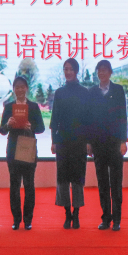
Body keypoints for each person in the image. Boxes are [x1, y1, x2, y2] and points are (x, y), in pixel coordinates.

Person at [0, 76, 45, 230]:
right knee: (14, 185)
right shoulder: (9, 107)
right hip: (13, 149)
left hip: (28, 148)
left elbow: (41, 128)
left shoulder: (33, 106)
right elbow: (2, 131)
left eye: (22, 87)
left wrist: (31, 127)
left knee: (29, 184)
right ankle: (16, 219)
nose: (19, 89)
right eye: (17, 87)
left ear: (26, 88)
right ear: (13, 89)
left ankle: (28, 220)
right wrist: (8, 124)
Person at [50, 58, 91, 229]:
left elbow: (89, 120)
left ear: (76, 71)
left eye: (70, 69)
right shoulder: (59, 93)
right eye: (65, 69)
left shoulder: (85, 92)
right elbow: (54, 118)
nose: (67, 72)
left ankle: (76, 214)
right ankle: (67, 214)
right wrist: (53, 141)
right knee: (63, 178)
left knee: (77, 178)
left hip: (80, 141)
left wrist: (89, 142)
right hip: (62, 141)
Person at [88, 60, 128, 231]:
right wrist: (89, 142)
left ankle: (117, 220)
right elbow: (88, 119)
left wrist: (123, 141)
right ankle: (106, 218)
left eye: (105, 70)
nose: (102, 73)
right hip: (98, 144)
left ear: (110, 72)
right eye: (99, 70)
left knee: (116, 182)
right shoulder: (92, 92)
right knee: (102, 183)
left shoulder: (118, 90)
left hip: (115, 143)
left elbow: (122, 116)